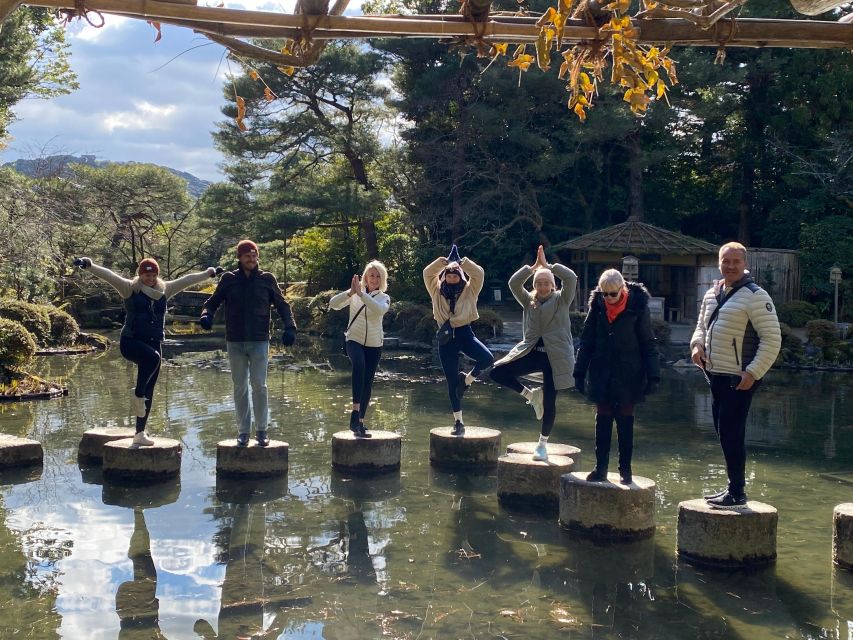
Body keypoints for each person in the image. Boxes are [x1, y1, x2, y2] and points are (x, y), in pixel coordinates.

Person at [74, 256, 220, 446]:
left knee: (149, 388)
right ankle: (137, 393)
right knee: (153, 360)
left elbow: (186, 280)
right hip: (131, 341)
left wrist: (209, 273)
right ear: (140, 274)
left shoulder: (164, 289)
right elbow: (109, 276)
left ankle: (139, 433)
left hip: (154, 341)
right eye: (146, 275)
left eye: (153, 275)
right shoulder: (130, 288)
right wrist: (89, 265)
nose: (150, 278)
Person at [691, 241, 781, 509]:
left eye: (735, 262)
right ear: (719, 263)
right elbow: (700, 327)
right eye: (725, 261)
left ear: (745, 265)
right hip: (715, 374)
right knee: (723, 432)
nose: (730, 266)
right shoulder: (712, 293)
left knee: (732, 432)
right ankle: (732, 486)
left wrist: (753, 372)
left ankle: (738, 492)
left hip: (739, 379)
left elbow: (772, 339)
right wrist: (696, 346)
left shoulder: (756, 296)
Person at [199, 240, 296, 447]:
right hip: (235, 341)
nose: (252, 259)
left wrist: (290, 327)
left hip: (259, 340)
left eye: (254, 255)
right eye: (247, 256)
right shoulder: (229, 279)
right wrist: (206, 315)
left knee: (259, 386)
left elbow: (282, 304)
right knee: (239, 387)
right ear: (240, 258)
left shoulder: (267, 279)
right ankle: (243, 431)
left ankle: (261, 431)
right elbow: (212, 302)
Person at [490, 245, 577, 462]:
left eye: (547, 282)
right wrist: (532, 268)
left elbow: (572, 278)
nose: (543, 285)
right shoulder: (528, 301)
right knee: (497, 372)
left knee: (550, 402)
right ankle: (530, 395)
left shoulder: (562, 300)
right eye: (539, 282)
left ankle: (542, 444)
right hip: (531, 352)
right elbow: (513, 283)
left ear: (553, 285)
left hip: (555, 357)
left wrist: (549, 267)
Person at [573, 269, 659, 484]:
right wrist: (579, 372)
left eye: (613, 294)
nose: (609, 298)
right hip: (601, 369)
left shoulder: (638, 307)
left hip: (629, 371)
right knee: (602, 419)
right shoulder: (598, 306)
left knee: (625, 421)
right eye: (605, 294)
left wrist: (654, 376)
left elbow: (648, 342)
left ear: (623, 289)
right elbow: (586, 342)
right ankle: (600, 468)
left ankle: (625, 471)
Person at [423, 245, 494, 436]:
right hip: (445, 339)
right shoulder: (436, 290)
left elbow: (479, 274)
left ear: (461, 275)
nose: (452, 278)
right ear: (444, 275)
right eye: (449, 275)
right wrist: (443, 262)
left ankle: (468, 380)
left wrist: (462, 262)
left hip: (465, 333)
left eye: (455, 275)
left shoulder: (470, 290)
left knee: (487, 359)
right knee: (452, 383)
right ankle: (458, 421)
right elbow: (427, 273)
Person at [328, 260, 391, 438]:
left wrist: (362, 295)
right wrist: (350, 292)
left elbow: (378, 310)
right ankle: (355, 411)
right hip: (353, 340)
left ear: (382, 279)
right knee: (359, 364)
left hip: (374, 344)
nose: (375, 279)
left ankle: (360, 422)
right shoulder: (355, 293)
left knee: (368, 382)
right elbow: (333, 304)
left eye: (378, 276)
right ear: (365, 277)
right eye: (371, 275)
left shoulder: (384, 297)